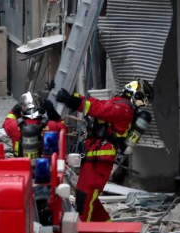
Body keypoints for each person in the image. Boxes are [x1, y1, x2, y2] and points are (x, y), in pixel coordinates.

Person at [55, 80, 153, 222]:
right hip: (94, 159)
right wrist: (72, 97)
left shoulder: (124, 109)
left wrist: (72, 101)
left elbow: (100, 110)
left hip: (100, 162)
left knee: (84, 199)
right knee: (90, 200)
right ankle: (108, 230)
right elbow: (95, 103)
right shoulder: (117, 103)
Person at [2, 92, 66, 157]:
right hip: (44, 165)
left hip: (19, 164)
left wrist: (13, 111)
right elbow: (64, 129)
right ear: (41, 108)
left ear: (21, 110)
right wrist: (54, 114)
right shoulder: (52, 125)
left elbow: (6, 123)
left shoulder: (13, 125)